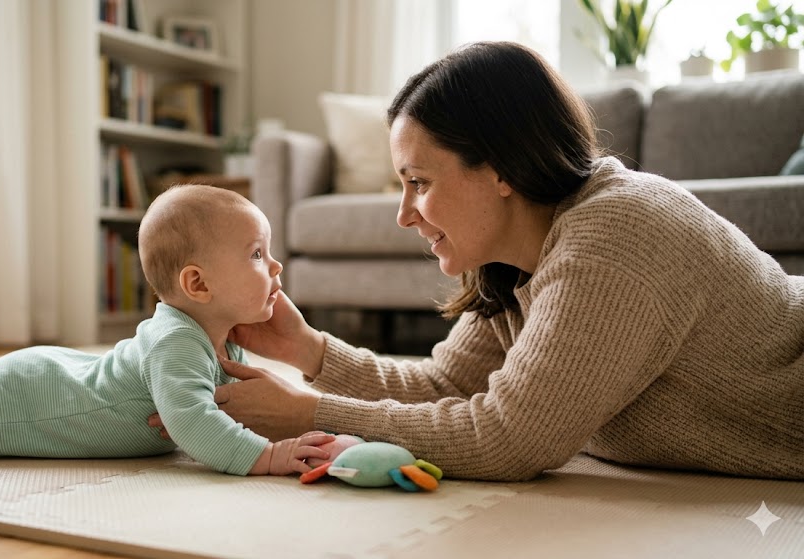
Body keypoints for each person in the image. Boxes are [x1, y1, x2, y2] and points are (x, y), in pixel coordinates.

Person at [152, 41, 804, 482]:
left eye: (419, 181)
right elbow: (446, 389)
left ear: (498, 169)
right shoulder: (514, 261)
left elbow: (505, 437)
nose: (404, 214)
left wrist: (307, 413)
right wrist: (308, 350)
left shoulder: (617, 233)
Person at [0, 184, 338, 477]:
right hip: (34, 398)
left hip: (52, 376)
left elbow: (228, 410)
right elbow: (195, 424)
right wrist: (267, 456)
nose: (275, 267)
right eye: (255, 254)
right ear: (197, 284)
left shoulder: (211, 334)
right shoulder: (178, 341)